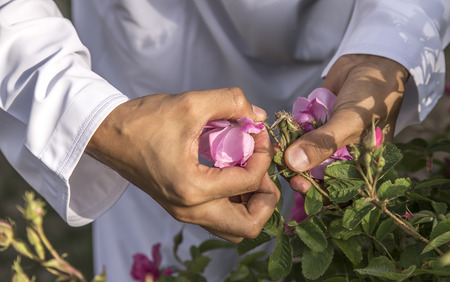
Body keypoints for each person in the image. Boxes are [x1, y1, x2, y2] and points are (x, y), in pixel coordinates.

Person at [1, 0, 449, 281]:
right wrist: (97, 120)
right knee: (178, 263)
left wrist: (388, 48)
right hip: (144, 75)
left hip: (342, 48)